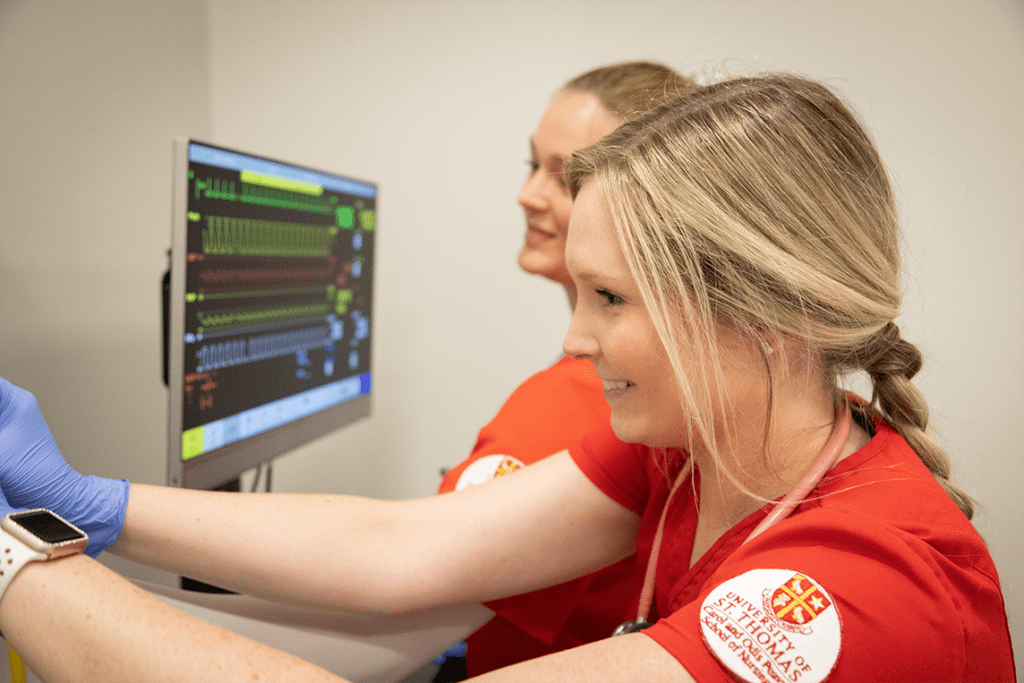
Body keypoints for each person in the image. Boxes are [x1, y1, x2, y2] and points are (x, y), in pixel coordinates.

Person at [0, 72, 1016, 682]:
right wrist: (97, 503)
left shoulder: (859, 589)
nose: (579, 340)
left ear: (763, 316)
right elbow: (406, 547)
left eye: (610, 300)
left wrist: (11, 565)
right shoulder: (700, 447)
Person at [436, 61, 697, 677]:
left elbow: (412, 573)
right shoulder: (652, 388)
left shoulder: (583, 397)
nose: (528, 195)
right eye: (532, 165)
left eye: (567, 177)